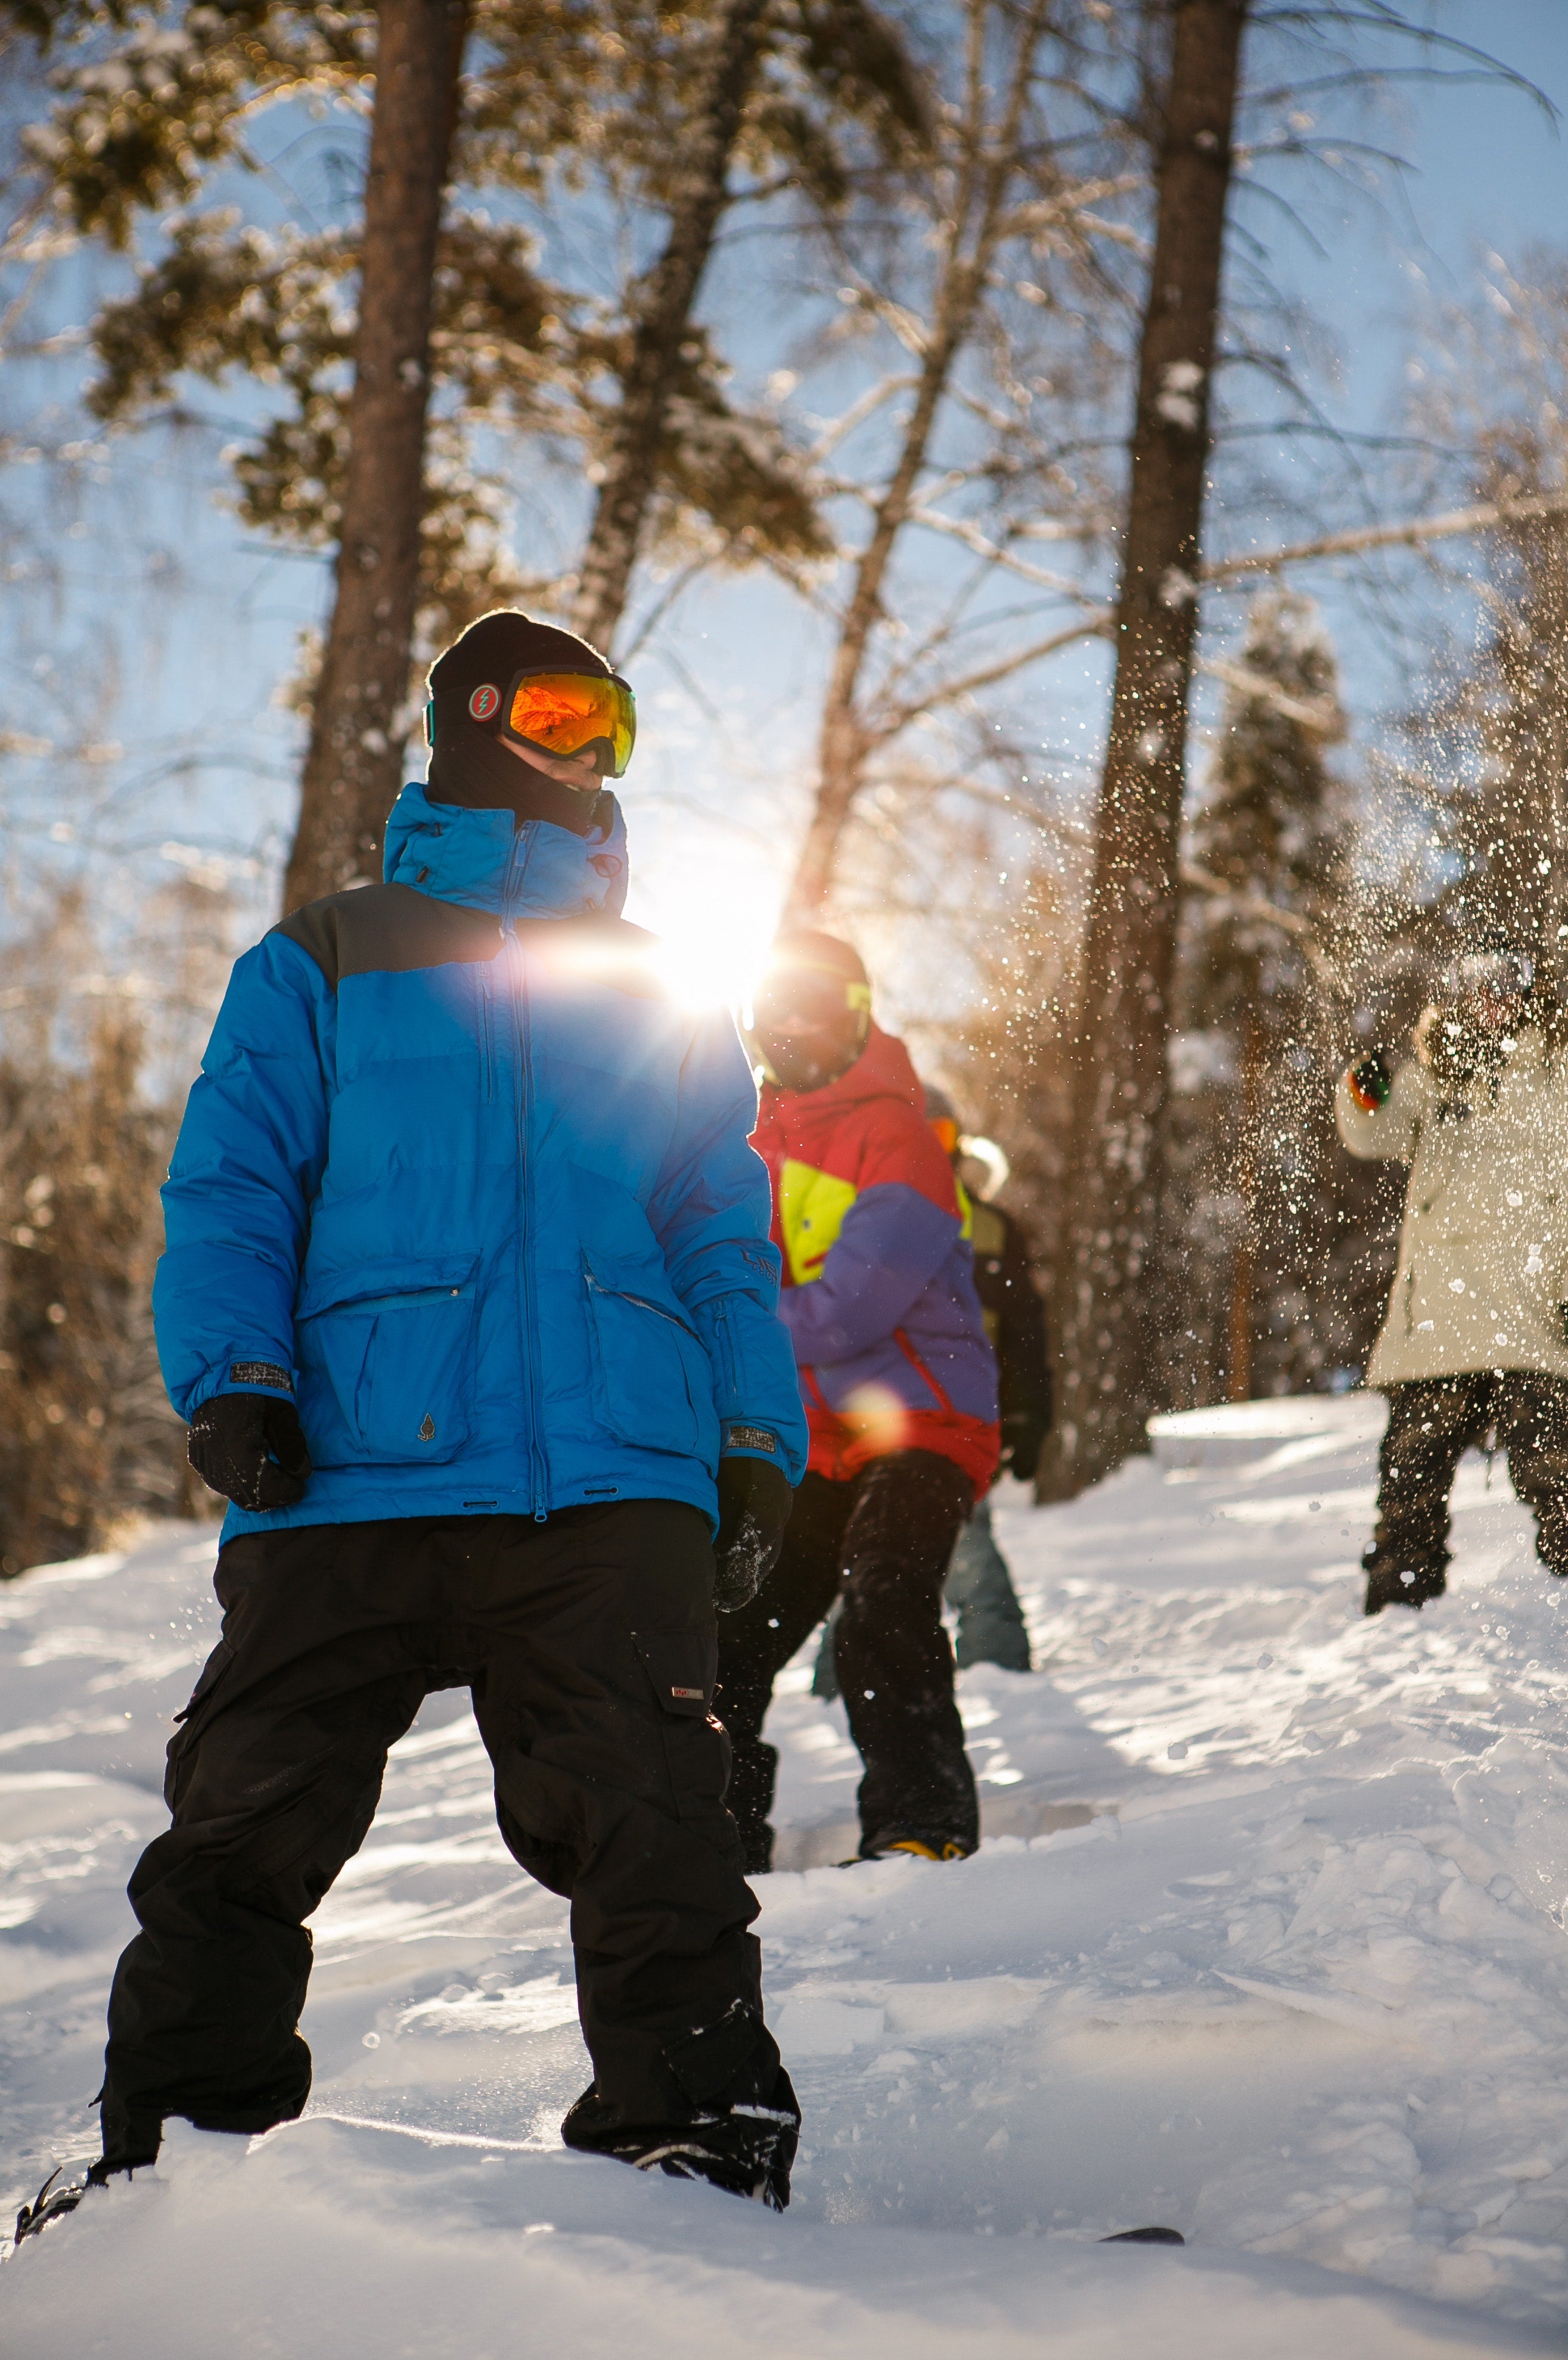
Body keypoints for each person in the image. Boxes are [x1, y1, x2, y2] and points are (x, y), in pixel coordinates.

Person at [17, 610, 811, 2243]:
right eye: (557, 705)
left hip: (608, 1469)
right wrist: (234, 1377)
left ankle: (701, 2149)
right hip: (348, 1472)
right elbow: (234, 1184)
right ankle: (169, 2172)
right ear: (465, 717)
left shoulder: (660, 982)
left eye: (616, 719)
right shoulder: (325, 955)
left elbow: (719, 1221)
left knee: (654, 1811)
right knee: (246, 1813)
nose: (589, 744)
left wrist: (754, 1436)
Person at [715, 932, 1000, 1874]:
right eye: (776, 1008)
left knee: (883, 1597)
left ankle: (923, 1824)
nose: (793, 1028)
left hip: (923, 1419)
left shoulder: (899, 1136)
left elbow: (850, 1310)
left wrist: (720, 1323)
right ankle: (714, 1832)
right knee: (731, 1625)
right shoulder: (744, 1140)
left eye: (815, 1007)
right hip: (818, 1439)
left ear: (855, 1014)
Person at [1337, 952, 1568, 1615]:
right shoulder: (1435, 1074)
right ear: (1462, 992)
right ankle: (1395, 1628)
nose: (1494, 994)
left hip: (1537, 1317)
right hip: (1439, 1319)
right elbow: (1372, 1131)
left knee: (1559, 1477)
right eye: (1479, 981)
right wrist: (1364, 1087)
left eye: (1509, 979)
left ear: (1531, 991)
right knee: (1410, 1487)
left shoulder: (1561, 1073)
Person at [812, 1086, 1045, 1690]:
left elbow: (1023, 1331)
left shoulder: (989, 1227)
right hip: (866, 1413)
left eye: (938, 1137)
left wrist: (1027, 1415)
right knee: (864, 1550)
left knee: (965, 1549)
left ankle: (1001, 1666)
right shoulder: (861, 1219)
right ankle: (838, 1682)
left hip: (958, 1415)